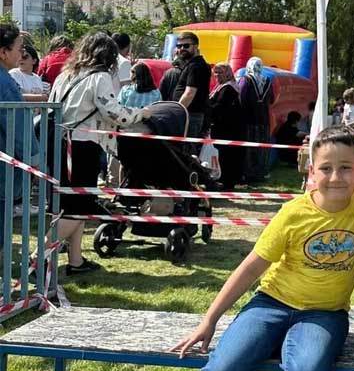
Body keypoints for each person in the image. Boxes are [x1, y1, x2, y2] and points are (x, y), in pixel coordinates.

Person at [171, 126, 354, 371]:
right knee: (223, 369)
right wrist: (209, 319)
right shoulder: (293, 213)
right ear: (312, 171)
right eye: (326, 168)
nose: (336, 177)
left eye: (346, 168)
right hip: (270, 304)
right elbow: (251, 267)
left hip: (325, 313)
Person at [48, 32, 150, 275]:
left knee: (71, 206)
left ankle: (76, 261)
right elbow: (115, 114)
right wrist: (142, 113)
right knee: (78, 206)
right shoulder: (100, 77)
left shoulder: (65, 74)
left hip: (60, 144)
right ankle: (38, 257)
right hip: (82, 147)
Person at [0, 22, 39, 246]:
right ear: (3, 52)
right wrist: (34, 159)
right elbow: (19, 128)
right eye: (18, 48)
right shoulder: (6, 83)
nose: (21, 54)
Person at [208, 62, 245, 189]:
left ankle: (227, 182)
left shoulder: (228, 88)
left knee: (226, 156)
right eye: (215, 72)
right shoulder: (222, 86)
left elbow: (220, 107)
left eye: (220, 72)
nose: (217, 75)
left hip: (228, 129)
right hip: (224, 128)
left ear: (228, 73)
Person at [238, 57, 273, 182]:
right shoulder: (267, 81)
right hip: (264, 120)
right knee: (262, 148)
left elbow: (240, 97)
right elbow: (272, 99)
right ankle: (261, 173)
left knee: (249, 147)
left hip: (249, 120)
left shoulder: (245, 80)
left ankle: (248, 174)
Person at [172, 32, 211, 140]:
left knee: (186, 148)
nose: (182, 49)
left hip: (190, 116)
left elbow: (189, 93)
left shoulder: (196, 66)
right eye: (179, 46)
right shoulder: (192, 64)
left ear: (195, 46)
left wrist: (176, 112)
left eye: (186, 46)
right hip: (189, 115)